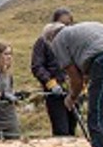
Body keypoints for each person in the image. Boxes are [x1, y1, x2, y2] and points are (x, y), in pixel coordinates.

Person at [31, 8, 77, 137]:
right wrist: (51, 83)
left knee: (72, 127)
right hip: (55, 92)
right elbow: (37, 66)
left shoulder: (74, 40)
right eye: (62, 24)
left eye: (69, 24)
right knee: (61, 129)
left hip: (73, 90)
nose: (66, 27)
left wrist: (81, 87)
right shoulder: (43, 41)